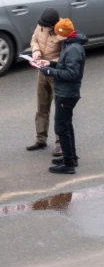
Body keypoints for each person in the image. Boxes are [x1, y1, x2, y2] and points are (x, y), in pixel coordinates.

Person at [40, 19, 87, 174]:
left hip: (67, 94)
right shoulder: (70, 44)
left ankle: (68, 165)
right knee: (67, 124)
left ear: (63, 34)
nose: (54, 35)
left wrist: (52, 72)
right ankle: (71, 157)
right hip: (66, 92)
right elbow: (65, 66)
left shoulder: (73, 49)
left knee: (61, 127)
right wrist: (50, 65)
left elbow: (72, 73)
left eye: (56, 32)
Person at [28, 8, 63, 156]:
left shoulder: (63, 32)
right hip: (42, 72)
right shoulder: (41, 25)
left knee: (60, 111)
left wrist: (51, 62)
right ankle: (40, 139)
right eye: (42, 25)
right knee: (41, 107)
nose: (43, 28)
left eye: (46, 26)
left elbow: (66, 56)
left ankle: (60, 144)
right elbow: (34, 39)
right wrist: (36, 51)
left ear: (54, 25)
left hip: (56, 74)